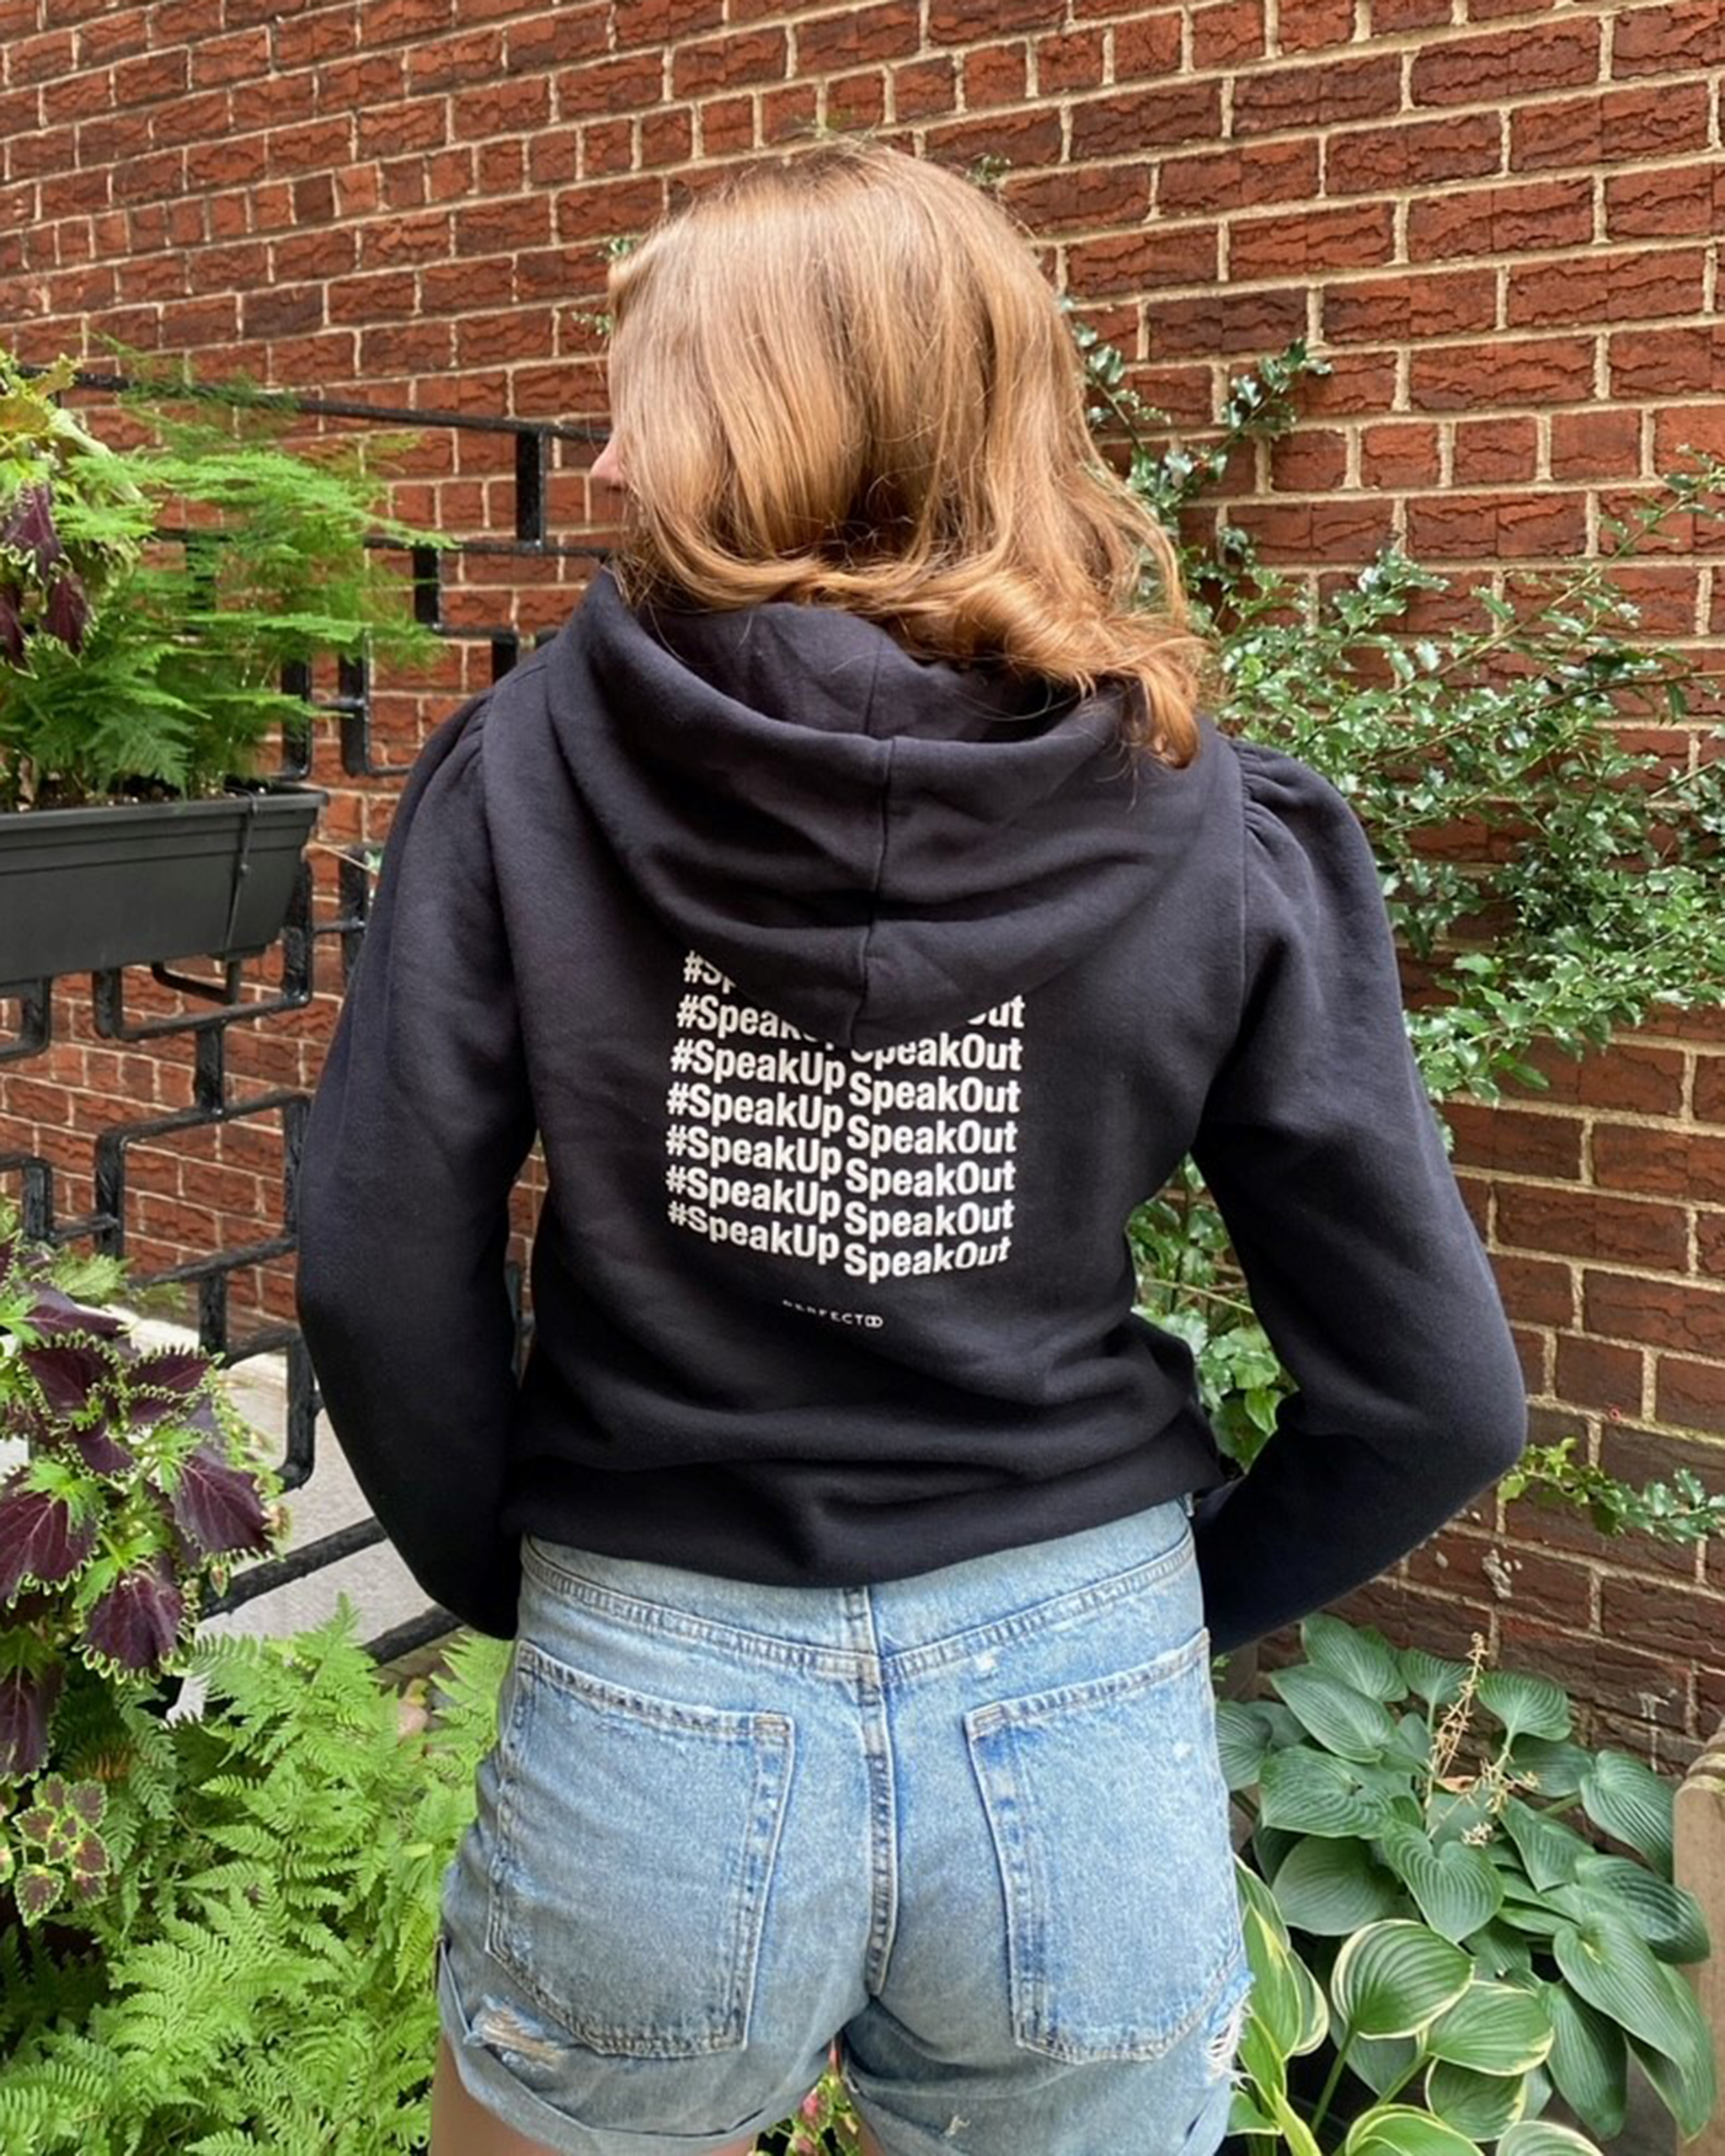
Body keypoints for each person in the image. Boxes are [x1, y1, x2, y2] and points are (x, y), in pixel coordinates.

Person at [293, 138, 1529, 2156]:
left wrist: (526, 1574)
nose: (602, 459)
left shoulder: (526, 762)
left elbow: (371, 1252)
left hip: (653, 1686)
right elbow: (1439, 1390)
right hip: (1082, 1698)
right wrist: (1144, 1611)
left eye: (643, 393)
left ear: (756, 421)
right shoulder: (1215, 820)